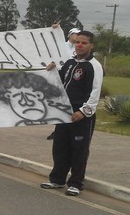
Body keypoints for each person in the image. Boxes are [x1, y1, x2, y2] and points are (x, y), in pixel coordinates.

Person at [40, 30, 103, 196]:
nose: (80, 45)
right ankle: (57, 179)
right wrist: (52, 68)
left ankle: (76, 183)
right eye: (77, 42)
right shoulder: (69, 63)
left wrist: (84, 111)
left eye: (84, 43)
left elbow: (95, 92)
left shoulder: (94, 66)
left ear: (91, 45)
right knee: (60, 147)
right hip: (63, 112)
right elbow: (58, 81)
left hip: (81, 116)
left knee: (79, 150)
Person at [47, 26, 81, 140]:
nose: (77, 36)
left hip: (72, 77)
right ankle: (57, 130)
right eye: (75, 34)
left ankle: (65, 129)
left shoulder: (78, 48)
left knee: (69, 103)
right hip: (60, 76)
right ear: (70, 35)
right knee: (59, 103)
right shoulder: (62, 46)